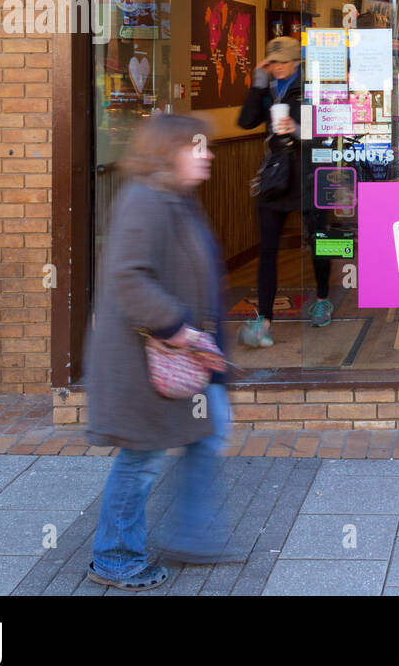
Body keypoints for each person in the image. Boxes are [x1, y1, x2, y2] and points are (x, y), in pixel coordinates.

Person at [85, 112, 231, 591]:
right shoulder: (145, 201)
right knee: (140, 459)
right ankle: (115, 557)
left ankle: (189, 534)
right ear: (169, 152)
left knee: (201, 436)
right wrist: (180, 330)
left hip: (174, 360)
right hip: (142, 361)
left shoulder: (174, 199)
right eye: (197, 146)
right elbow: (129, 278)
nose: (208, 154)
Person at [236, 36, 334, 343]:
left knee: (320, 240)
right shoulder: (267, 87)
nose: (277, 67)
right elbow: (246, 121)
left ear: (296, 62)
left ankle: (322, 298)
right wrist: (256, 84)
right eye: (272, 62)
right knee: (267, 250)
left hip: (308, 173)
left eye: (282, 62)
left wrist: (297, 129)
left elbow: (329, 129)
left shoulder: (310, 88)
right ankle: (264, 319)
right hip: (276, 177)